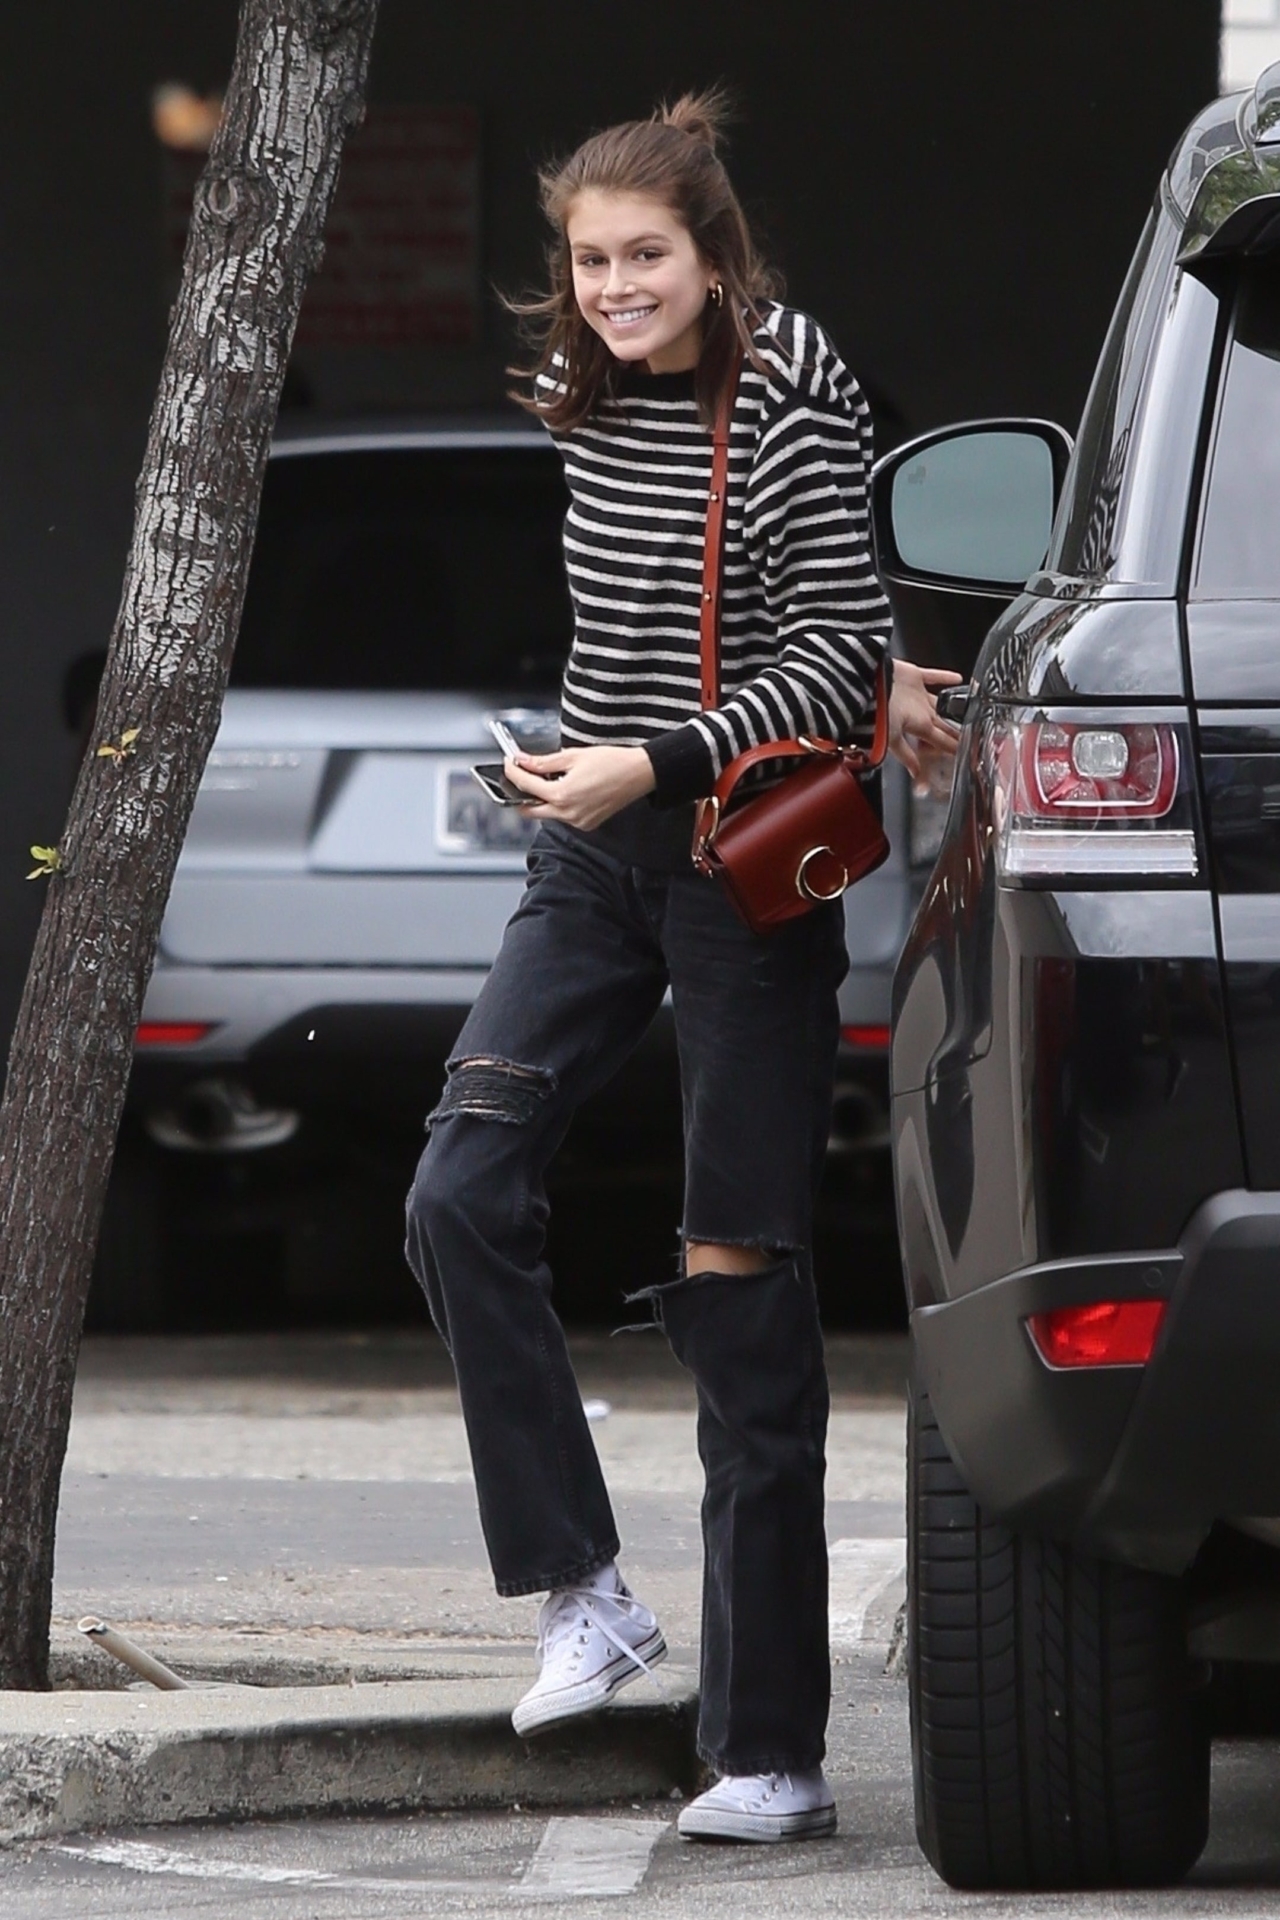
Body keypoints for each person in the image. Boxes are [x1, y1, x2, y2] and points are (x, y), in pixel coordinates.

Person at [405, 88, 958, 1845]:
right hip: (594, 846)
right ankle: (585, 1588)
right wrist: (583, 760)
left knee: (735, 1277)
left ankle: (771, 1745)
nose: (616, 289)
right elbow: (637, 634)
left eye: (647, 257)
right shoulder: (581, 397)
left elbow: (834, 649)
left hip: (738, 866)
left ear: (715, 258)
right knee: (457, 1190)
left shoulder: (791, 389)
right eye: (588, 262)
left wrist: (657, 751)